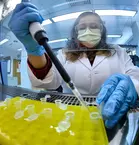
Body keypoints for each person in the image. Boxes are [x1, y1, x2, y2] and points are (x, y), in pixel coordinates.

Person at [9, 2, 139, 129]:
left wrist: (132, 85)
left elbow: (135, 76)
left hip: (113, 111)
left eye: (94, 26)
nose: (88, 30)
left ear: (102, 29)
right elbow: (49, 82)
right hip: (71, 113)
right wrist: (34, 50)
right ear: (76, 32)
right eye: (82, 27)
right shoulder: (64, 53)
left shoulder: (118, 51)